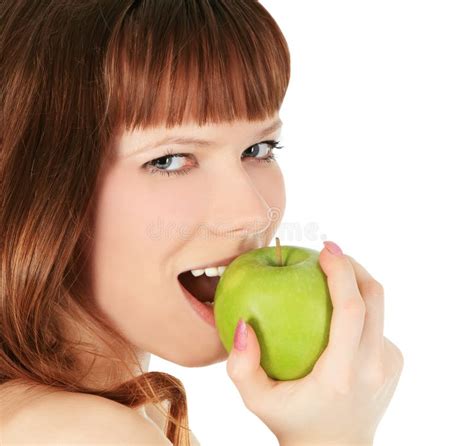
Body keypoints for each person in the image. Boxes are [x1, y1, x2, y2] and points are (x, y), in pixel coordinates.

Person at [0, 1, 404, 445]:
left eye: (259, 149)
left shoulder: (114, 415)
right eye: (169, 160)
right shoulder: (82, 434)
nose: (251, 214)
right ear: (36, 184)